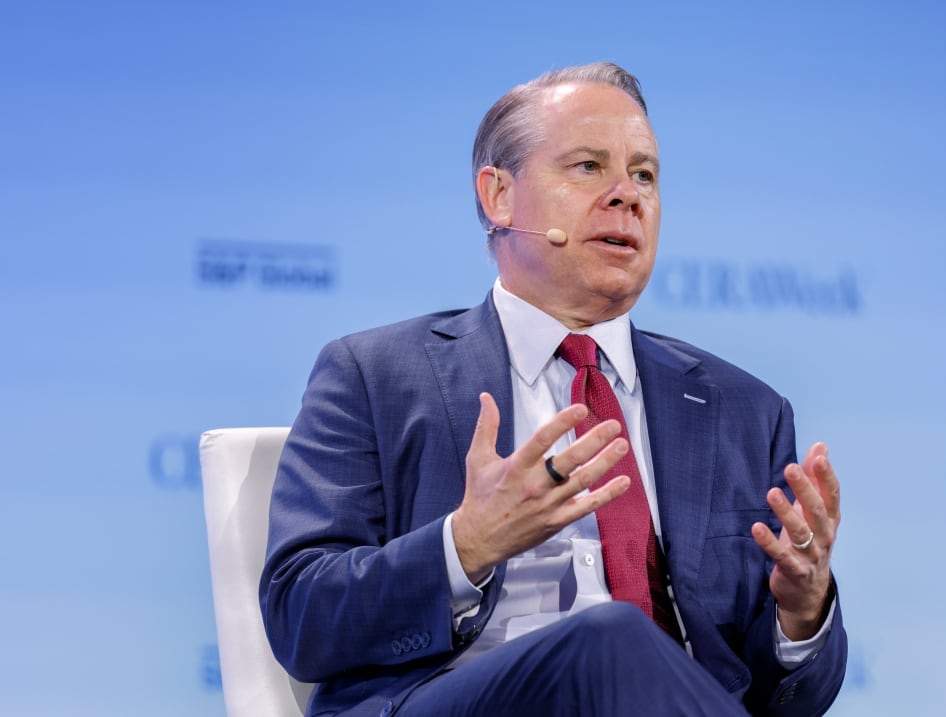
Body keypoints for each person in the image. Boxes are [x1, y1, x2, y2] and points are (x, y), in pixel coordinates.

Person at [261, 62, 847, 716]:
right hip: (450, 698)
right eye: (589, 167)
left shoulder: (746, 412)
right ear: (499, 197)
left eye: (645, 175)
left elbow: (788, 701)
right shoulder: (375, 374)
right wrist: (465, 545)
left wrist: (802, 615)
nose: (628, 195)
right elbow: (300, 614)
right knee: (612, 638)